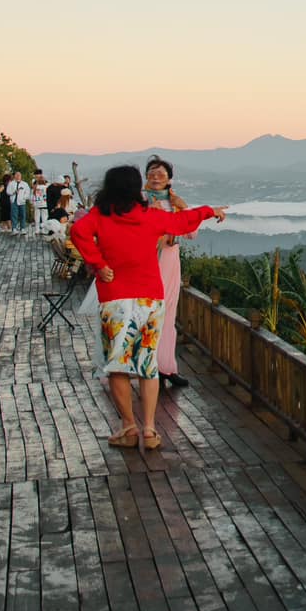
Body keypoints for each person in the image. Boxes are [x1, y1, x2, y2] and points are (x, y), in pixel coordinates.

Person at [69, 164, 221, 451]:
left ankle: (128, 427)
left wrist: (99, 264)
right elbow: (182, 223)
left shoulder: (99, 216)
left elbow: (78, 232)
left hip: (115, 298)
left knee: (118, 367)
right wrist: (209, 211)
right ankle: (150, 430)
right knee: (147, 364)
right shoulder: (149, 217)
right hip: (150, 299)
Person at [141, 156, 192, 389]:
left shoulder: (174, 202)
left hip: (170, 262)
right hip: (146, 263)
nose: (155, 177)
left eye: (160, 174)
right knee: (148, 316)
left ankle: (167, 367)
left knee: (168, 316)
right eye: (152, 173)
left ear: (169, 178)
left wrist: (183, 208)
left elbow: (190, 232)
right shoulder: (139, 201)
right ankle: (148, 368)